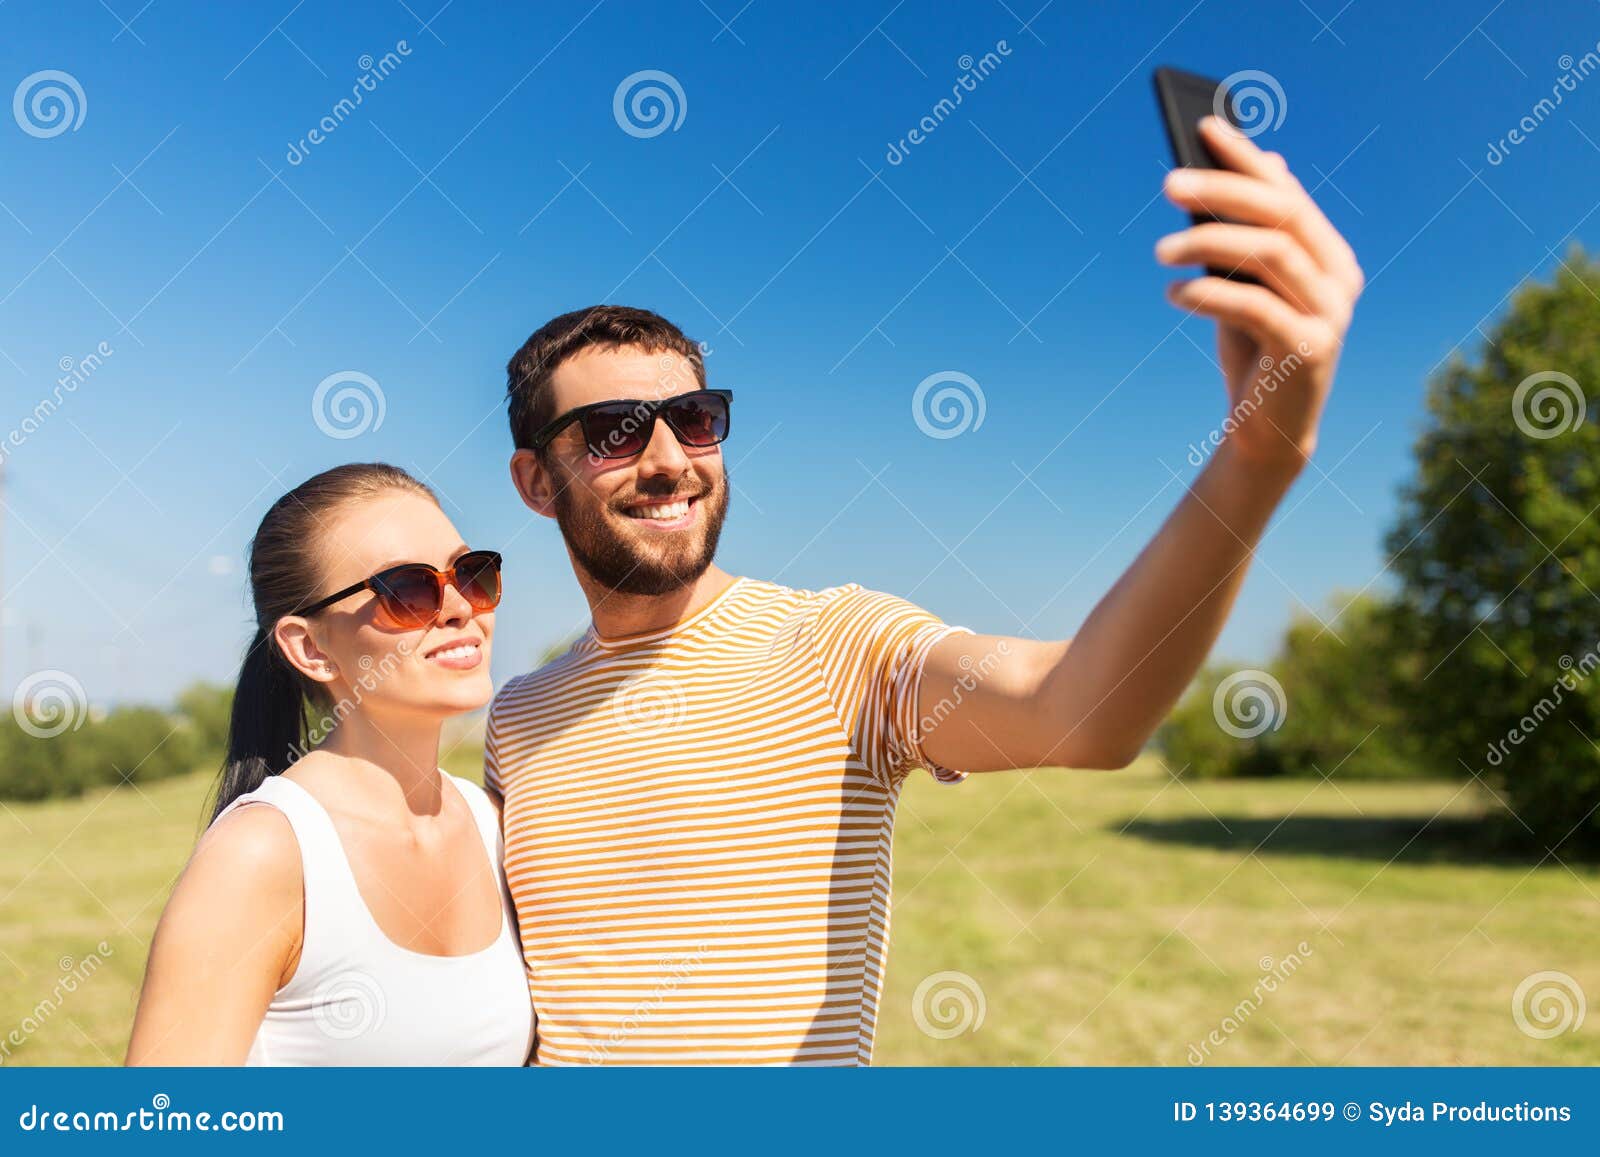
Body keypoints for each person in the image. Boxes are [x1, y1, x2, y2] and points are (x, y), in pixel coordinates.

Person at [487, 117, 1364, 1064]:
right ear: (537, 481)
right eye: (615, 430)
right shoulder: (516, 720)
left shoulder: (836, 644)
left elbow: (1084, 712)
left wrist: (1259, 460)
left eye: (695, 419)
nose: (669, 459)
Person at [127, 463, 534, 1066]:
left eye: (472, 574)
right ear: (310, 648)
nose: (457, 608)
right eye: (407, 590)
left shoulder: (495, 825)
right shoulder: (262, 854)